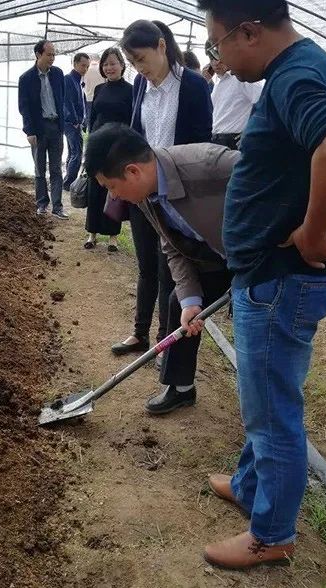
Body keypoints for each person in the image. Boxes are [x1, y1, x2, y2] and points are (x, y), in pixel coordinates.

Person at [197, 0, 326, 569]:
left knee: (272, 414)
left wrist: (315, 231)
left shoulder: (298, 75)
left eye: (218, 43)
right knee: (262, 399)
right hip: (268, 274)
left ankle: (272, 535)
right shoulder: (293, 71)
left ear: (248, 30)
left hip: (281, 278)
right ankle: (249, 486)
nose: (216, 58)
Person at [85, 124, 237, 414]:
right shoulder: (144, 194)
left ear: (132, 171)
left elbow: (278, 180)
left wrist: (303, 234)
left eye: (111, 187)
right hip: (213, 253)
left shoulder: (210, 164)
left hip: (259, 255)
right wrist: (191, 299)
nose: (113, 197)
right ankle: (181, 388)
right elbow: (171, 246)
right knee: (179, 302)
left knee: (251, 323)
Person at [111, 19, 212, 366]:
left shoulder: (194, 86)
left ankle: (163, 341)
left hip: (176, 194)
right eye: (133, 63)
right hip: (144, 193)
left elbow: (200, 145)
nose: (139, 68)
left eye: (141, 59)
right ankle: (139, 332)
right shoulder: (141, 85)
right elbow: (137, 133)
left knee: (171, 269)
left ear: (161, 46)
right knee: (145, 266)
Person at [84, 48, 132, 252]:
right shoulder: (99, 90)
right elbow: (93, 117)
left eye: (113, 63)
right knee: (95, 190)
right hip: (97, 145)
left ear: (122, 64)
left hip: (118, 147)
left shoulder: (131, 90)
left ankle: (113, 236)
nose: (109, 67)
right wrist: (90, 142)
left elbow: (132, 121)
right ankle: (92, 233)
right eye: (105, 64)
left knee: (114, 190)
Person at [17, 40, 69, 220]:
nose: (52, 58)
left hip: (56, 127)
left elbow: (62, 100)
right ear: (38, 55)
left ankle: (58, 207)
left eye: (54, 54)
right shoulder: (26, 79)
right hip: (38, 130)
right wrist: (29, 131)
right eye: (49, 54)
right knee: (39, 169)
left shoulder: (58, 74)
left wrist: (63, 124)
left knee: (56, 169)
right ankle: (41, 204)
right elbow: (24, 107)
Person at [206, 40, 263, 150]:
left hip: (233, 142)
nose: (216, 63)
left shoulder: (242, 78)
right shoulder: (219, 84)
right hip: (216, 141)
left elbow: (263, 103)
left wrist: (249, 132)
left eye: (218, 57)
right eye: (212, 59)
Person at [63, 53, 90, 192]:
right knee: (77, 153)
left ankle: (67, 181)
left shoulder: (78, 81)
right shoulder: (68, 79)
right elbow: (68, 101)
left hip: (74, 122)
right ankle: (69, 183)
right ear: (75, 64)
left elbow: (81, 103)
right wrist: (74, 120)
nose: (85, 68)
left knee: (72, 152)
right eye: (82, 65)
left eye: (87, 66)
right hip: (70, 122)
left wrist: (83, 121)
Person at [83, 53, 106, 121]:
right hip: (101, 97)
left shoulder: (86, 70)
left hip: (88, 98)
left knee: (90, 120)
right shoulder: (102, 69)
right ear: (99, 60)